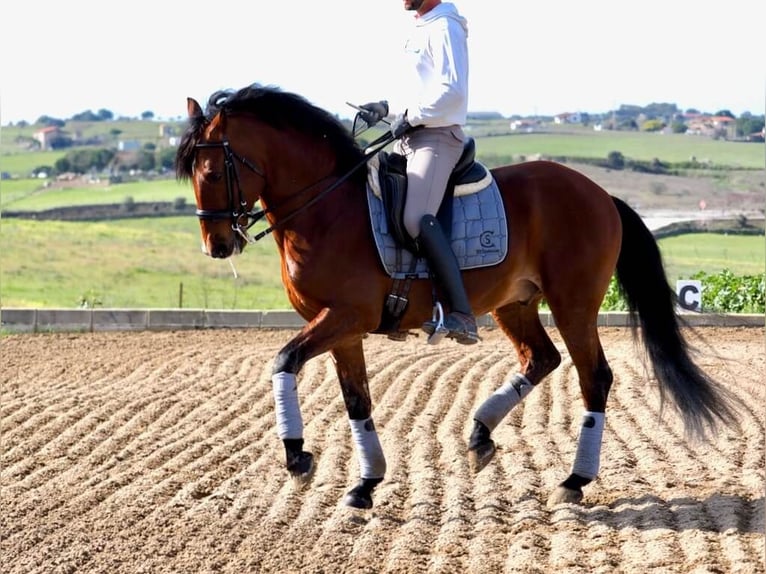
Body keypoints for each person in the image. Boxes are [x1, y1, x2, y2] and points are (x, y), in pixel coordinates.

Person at [359, 0, 478, 345]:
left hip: (437, 138)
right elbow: (417, 93)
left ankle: (461, 314)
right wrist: (386, 108)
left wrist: (411, 117)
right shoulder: (419, 28)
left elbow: (452, 93)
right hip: (410, 137)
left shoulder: (445, 26)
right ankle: (396, 304)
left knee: (415, 218)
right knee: (370, 199)